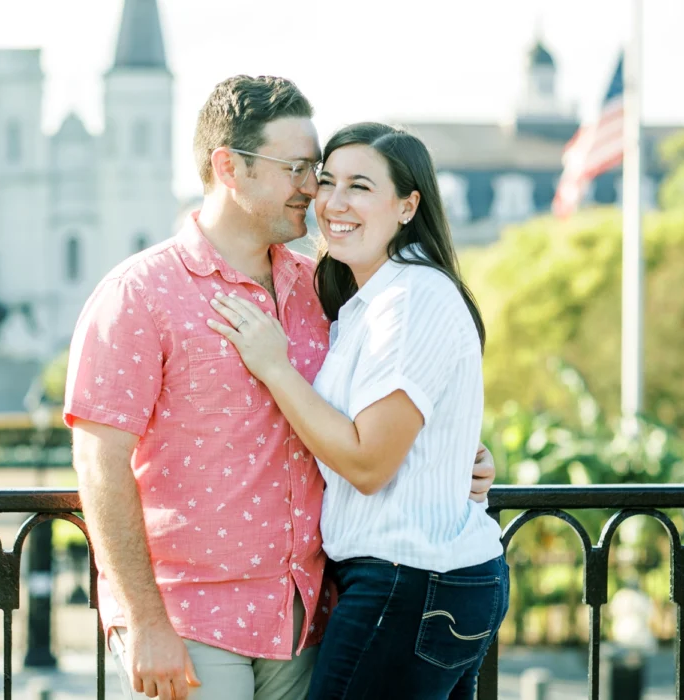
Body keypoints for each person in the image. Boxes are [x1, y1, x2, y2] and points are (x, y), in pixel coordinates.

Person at [65, 78, 495, 700]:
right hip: (192, 623)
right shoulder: (139, 293)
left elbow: (380, 406)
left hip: (309, 617)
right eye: (296, 168)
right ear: (228, 167)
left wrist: (455, 458)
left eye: (314, 169)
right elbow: (99, 462)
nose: (312, 189)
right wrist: (144, 619)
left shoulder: (324, 289)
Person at [207, 122, 509, 699]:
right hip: (424, 583)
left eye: (361, 187)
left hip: (408, 585)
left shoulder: (411, 299)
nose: (334, 202)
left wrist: (275, 368)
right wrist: (453, 464)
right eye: (327, 181)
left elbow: (369, 464)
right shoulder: (369, 303)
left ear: (407, 205)